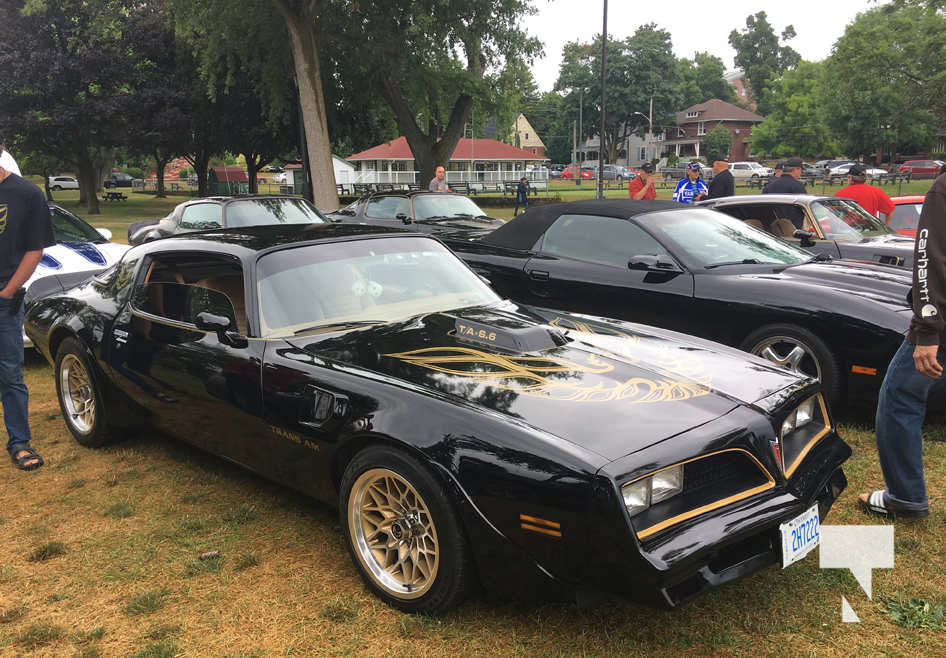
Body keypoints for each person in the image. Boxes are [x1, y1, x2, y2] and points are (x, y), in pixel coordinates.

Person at [858, 165, 946, 519]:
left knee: (899, 401)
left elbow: (929, 260)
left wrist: (927, 331)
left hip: (941, 328)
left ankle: (905, 497)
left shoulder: (942, 190)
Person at [0, 162, 55, 471]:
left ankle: (19, 442)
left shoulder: (26, 194)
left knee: (9, 373)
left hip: (3, 297)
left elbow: (35, 250)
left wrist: (7, 292)